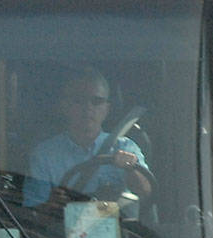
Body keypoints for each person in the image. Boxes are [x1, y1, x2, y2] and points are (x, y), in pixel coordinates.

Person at [23, 68, 151, 210]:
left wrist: (131, 169)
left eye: (96, 101)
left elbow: (145, 192)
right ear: (64, 106)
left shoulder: (125, 147)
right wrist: (50, 203)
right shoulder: (44, 155)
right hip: (61, 231)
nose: (88, 108)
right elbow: (31, 212)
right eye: (79, 101)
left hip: (120, 230)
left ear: (107, 109)